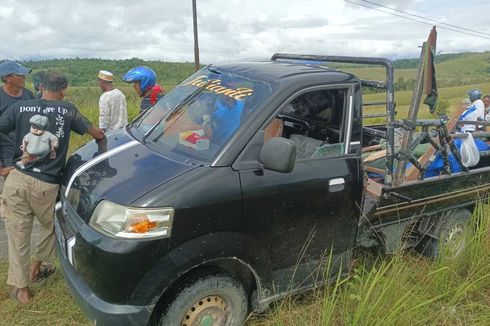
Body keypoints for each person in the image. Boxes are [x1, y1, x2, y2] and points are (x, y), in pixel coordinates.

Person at [0, 71, 104, 304]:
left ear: (40, 88)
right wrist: (103, 142)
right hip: (47, 185)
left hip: (16, 179)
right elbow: (96, 132)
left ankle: (22, 289)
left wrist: (3, 165)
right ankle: (37, 268)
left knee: (17, 233)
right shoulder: (68, 110)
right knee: (49, 226)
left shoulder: (21, 107)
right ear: (63, 90)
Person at [0, 60, 35, 168]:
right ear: (8, 78)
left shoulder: (28, 94)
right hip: (7, 154)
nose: (24, 77)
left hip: (29, 151)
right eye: (20, 75)